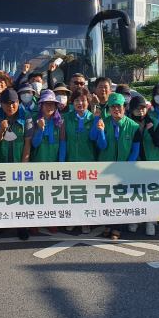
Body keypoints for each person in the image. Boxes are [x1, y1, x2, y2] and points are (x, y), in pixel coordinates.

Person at [93, 93, 139, 240]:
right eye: (112, 107)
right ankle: (108, 225)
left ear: (124, 107)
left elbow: (136, 149)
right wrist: (101, 131)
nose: (115, 109)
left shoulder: (133, 126)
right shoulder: (103, 122)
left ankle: (117, 228)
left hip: (124, 168)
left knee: (120, 197)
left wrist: (127, 167)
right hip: (106, 167)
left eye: (118, 106)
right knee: (106, 197)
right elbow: (102, 146)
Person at [0, 88, 33, 240]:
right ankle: (3, 224)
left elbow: (28, 143)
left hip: (18, 161)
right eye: (6, 103)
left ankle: (21, 226)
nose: (10, 106)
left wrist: (23, 165)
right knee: (3, 194)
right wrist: (1, 130)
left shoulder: (27, 117)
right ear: (0, 104)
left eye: (13, 103)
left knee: (20, 195)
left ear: (18, 102)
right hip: (1, 161)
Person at [29, 89, 67, 235]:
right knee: (37, 195)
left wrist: (61, 163)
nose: (49, 107)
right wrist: (40, 129)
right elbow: (34, 144)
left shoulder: (60, 121)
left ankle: (52, 221)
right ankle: (35, 222)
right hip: (38, 162)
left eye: (52, 104)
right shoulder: (34, 119)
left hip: (54, 163)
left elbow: (63, 143)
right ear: (41, 105)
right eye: (46, 104)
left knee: (52, 195)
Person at [128, 94, 159, 236]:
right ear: (131, 111)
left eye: (143, 108)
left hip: (152, 163)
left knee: (150, 194)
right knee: (135, 193)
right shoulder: (128, 123)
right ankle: (134, 219)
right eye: (137, 109)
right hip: (135, 163)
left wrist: (152, 132)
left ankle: (151, 222)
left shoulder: (154, 123)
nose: (140, 111)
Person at [63, 87, 97, 234]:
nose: (80, 103)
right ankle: (73, 220)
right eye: (77, 100)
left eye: (83, 100)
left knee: (86, 193)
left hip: (88, 161)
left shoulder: (94, 118)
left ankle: (85, 221)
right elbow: (63, 140)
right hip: (71, 160)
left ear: (88, 102)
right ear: (72, 102)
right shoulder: (65, 118)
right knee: (72, 193)